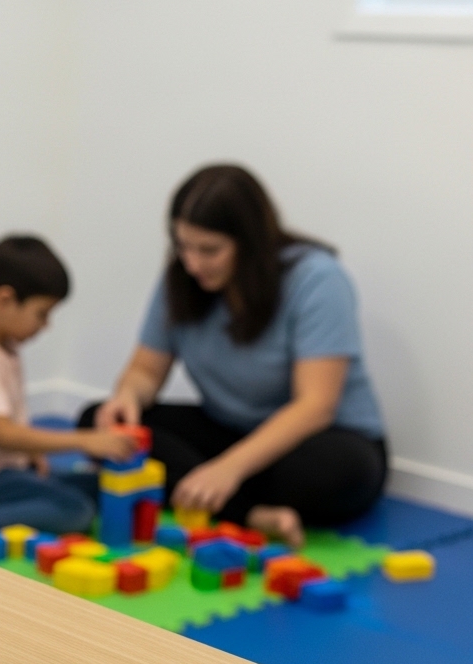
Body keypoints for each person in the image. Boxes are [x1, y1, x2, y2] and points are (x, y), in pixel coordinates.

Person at [84, 164, 387, 549]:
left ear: (252, 242)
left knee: (331, 475)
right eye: (182, 246)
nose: (192, 263)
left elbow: (316, 407)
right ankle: (250, 513)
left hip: (319, 439)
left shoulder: (318, 280)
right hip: (229, 428)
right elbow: (145, 369)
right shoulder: (182, 278)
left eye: (209, 250)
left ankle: (209, 491)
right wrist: (128, 396)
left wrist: (228, 469)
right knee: (97, 423)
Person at [0, 236, 137, 539]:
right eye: (41, 314)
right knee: (76, 511)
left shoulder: (4, 346)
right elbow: (3, 434)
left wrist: (32, 453)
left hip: (3, 468)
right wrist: (85, 441)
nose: (46, 325)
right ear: (4, 301)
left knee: (97, 486)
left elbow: (9, 423)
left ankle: (2, 504)